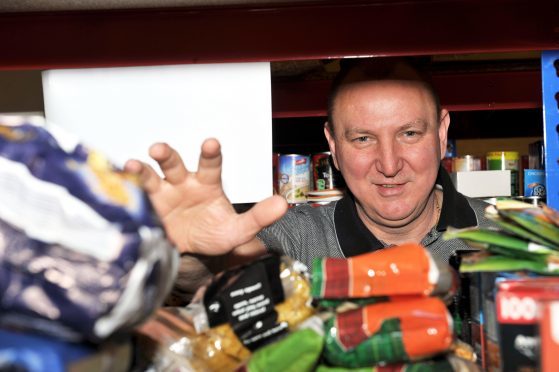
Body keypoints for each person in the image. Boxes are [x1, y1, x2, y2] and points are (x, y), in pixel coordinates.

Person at [124, 57, 494, 300]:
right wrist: (190, 254)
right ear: (333, 143)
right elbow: (224, 280)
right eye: (363, 138)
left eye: (409, 134)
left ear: (442, 133)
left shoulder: (510, 238)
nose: (389, 163)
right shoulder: (297, 240)